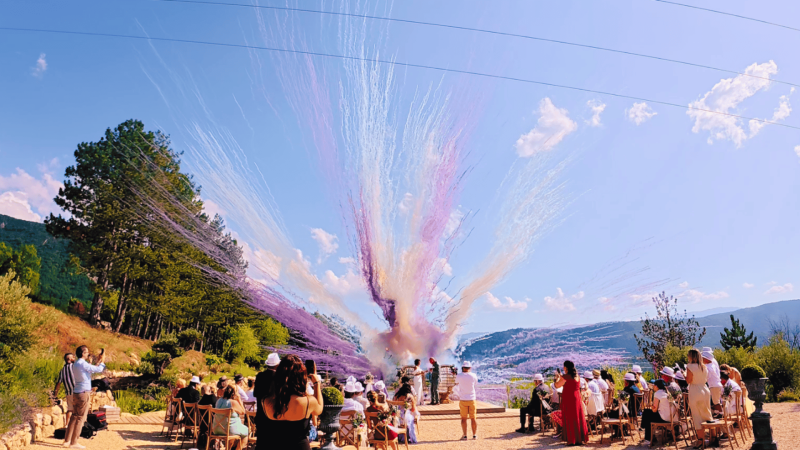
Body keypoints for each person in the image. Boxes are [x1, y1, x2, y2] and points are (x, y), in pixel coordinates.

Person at [261, 354, 323, 450]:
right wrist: (316, 384)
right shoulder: (307, 401)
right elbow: (319, 410)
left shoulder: (267, 401)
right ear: (301, 376)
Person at [64, 346, 106, 449]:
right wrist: (102, 361)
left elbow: (89, 371)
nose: (88, 353)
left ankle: (67, 440)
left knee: (74, 416)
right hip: (84, 393)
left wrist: (97, 362)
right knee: (80, 418)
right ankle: (74, 443)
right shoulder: (82, 364)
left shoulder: (76, 364)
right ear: (83, 353)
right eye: (87, 352)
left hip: (76, 392)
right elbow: (99, 369)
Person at [551, 360, 589, 445]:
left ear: (566, 368)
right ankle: (580, 438)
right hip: (577, 398)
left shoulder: (566, 377)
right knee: (577, 417)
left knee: (570, 418)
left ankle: (572, 440)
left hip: (570, 399)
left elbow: (557, 385)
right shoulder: (577, 376)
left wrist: (558, 378)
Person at [687, 348, 714, 448]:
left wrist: (684, 375)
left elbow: (689, 380)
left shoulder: (690, 366)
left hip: (695, 390)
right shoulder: (704, 367)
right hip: (705, 389)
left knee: (697, 416)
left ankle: (700, 440)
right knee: (707, 414)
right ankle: (713, 438)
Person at [254, 352, 280, 450]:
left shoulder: (259, 376)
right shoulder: (278, 378)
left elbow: (256, 394)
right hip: (274, 416)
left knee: (261, 444)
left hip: (261, 415)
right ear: (277, 365)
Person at [641, 380, 678, 445]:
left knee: (646, 413)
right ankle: (650, 436)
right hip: (671, 418)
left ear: (656, 386)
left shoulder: (658, 393)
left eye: (654, 385)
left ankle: (648, 438)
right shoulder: (667, 393)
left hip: (663, 418)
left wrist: (651, 406)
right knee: (647, 414)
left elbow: (654, 410)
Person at [53, 353, 76, 447]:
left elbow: (58, 383)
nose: (75, 358)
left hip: (68, 392)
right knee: (78, 412)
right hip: (77, 391)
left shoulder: (62, 370)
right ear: (70, 359)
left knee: (70, 409)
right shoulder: (74, 367)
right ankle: (74, 432)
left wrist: (55, 393)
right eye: (73, 357)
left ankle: (67, 425)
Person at [453, 362, 478, 440]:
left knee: (463, 418)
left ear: (463, 368)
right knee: (473, 418)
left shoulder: (459, 376)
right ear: (469, 368)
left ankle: (465, 435)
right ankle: (474, 435)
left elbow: (456, 382)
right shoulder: (474, 375)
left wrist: (455, 374)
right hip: (472, 399)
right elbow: (475, 384)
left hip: (463, 399)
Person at [197, 384, 218, 449]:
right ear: (210, 390)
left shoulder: (201, 401)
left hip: (202, 425)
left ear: (202, 392)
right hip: (212, 424)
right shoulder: (213, 399)